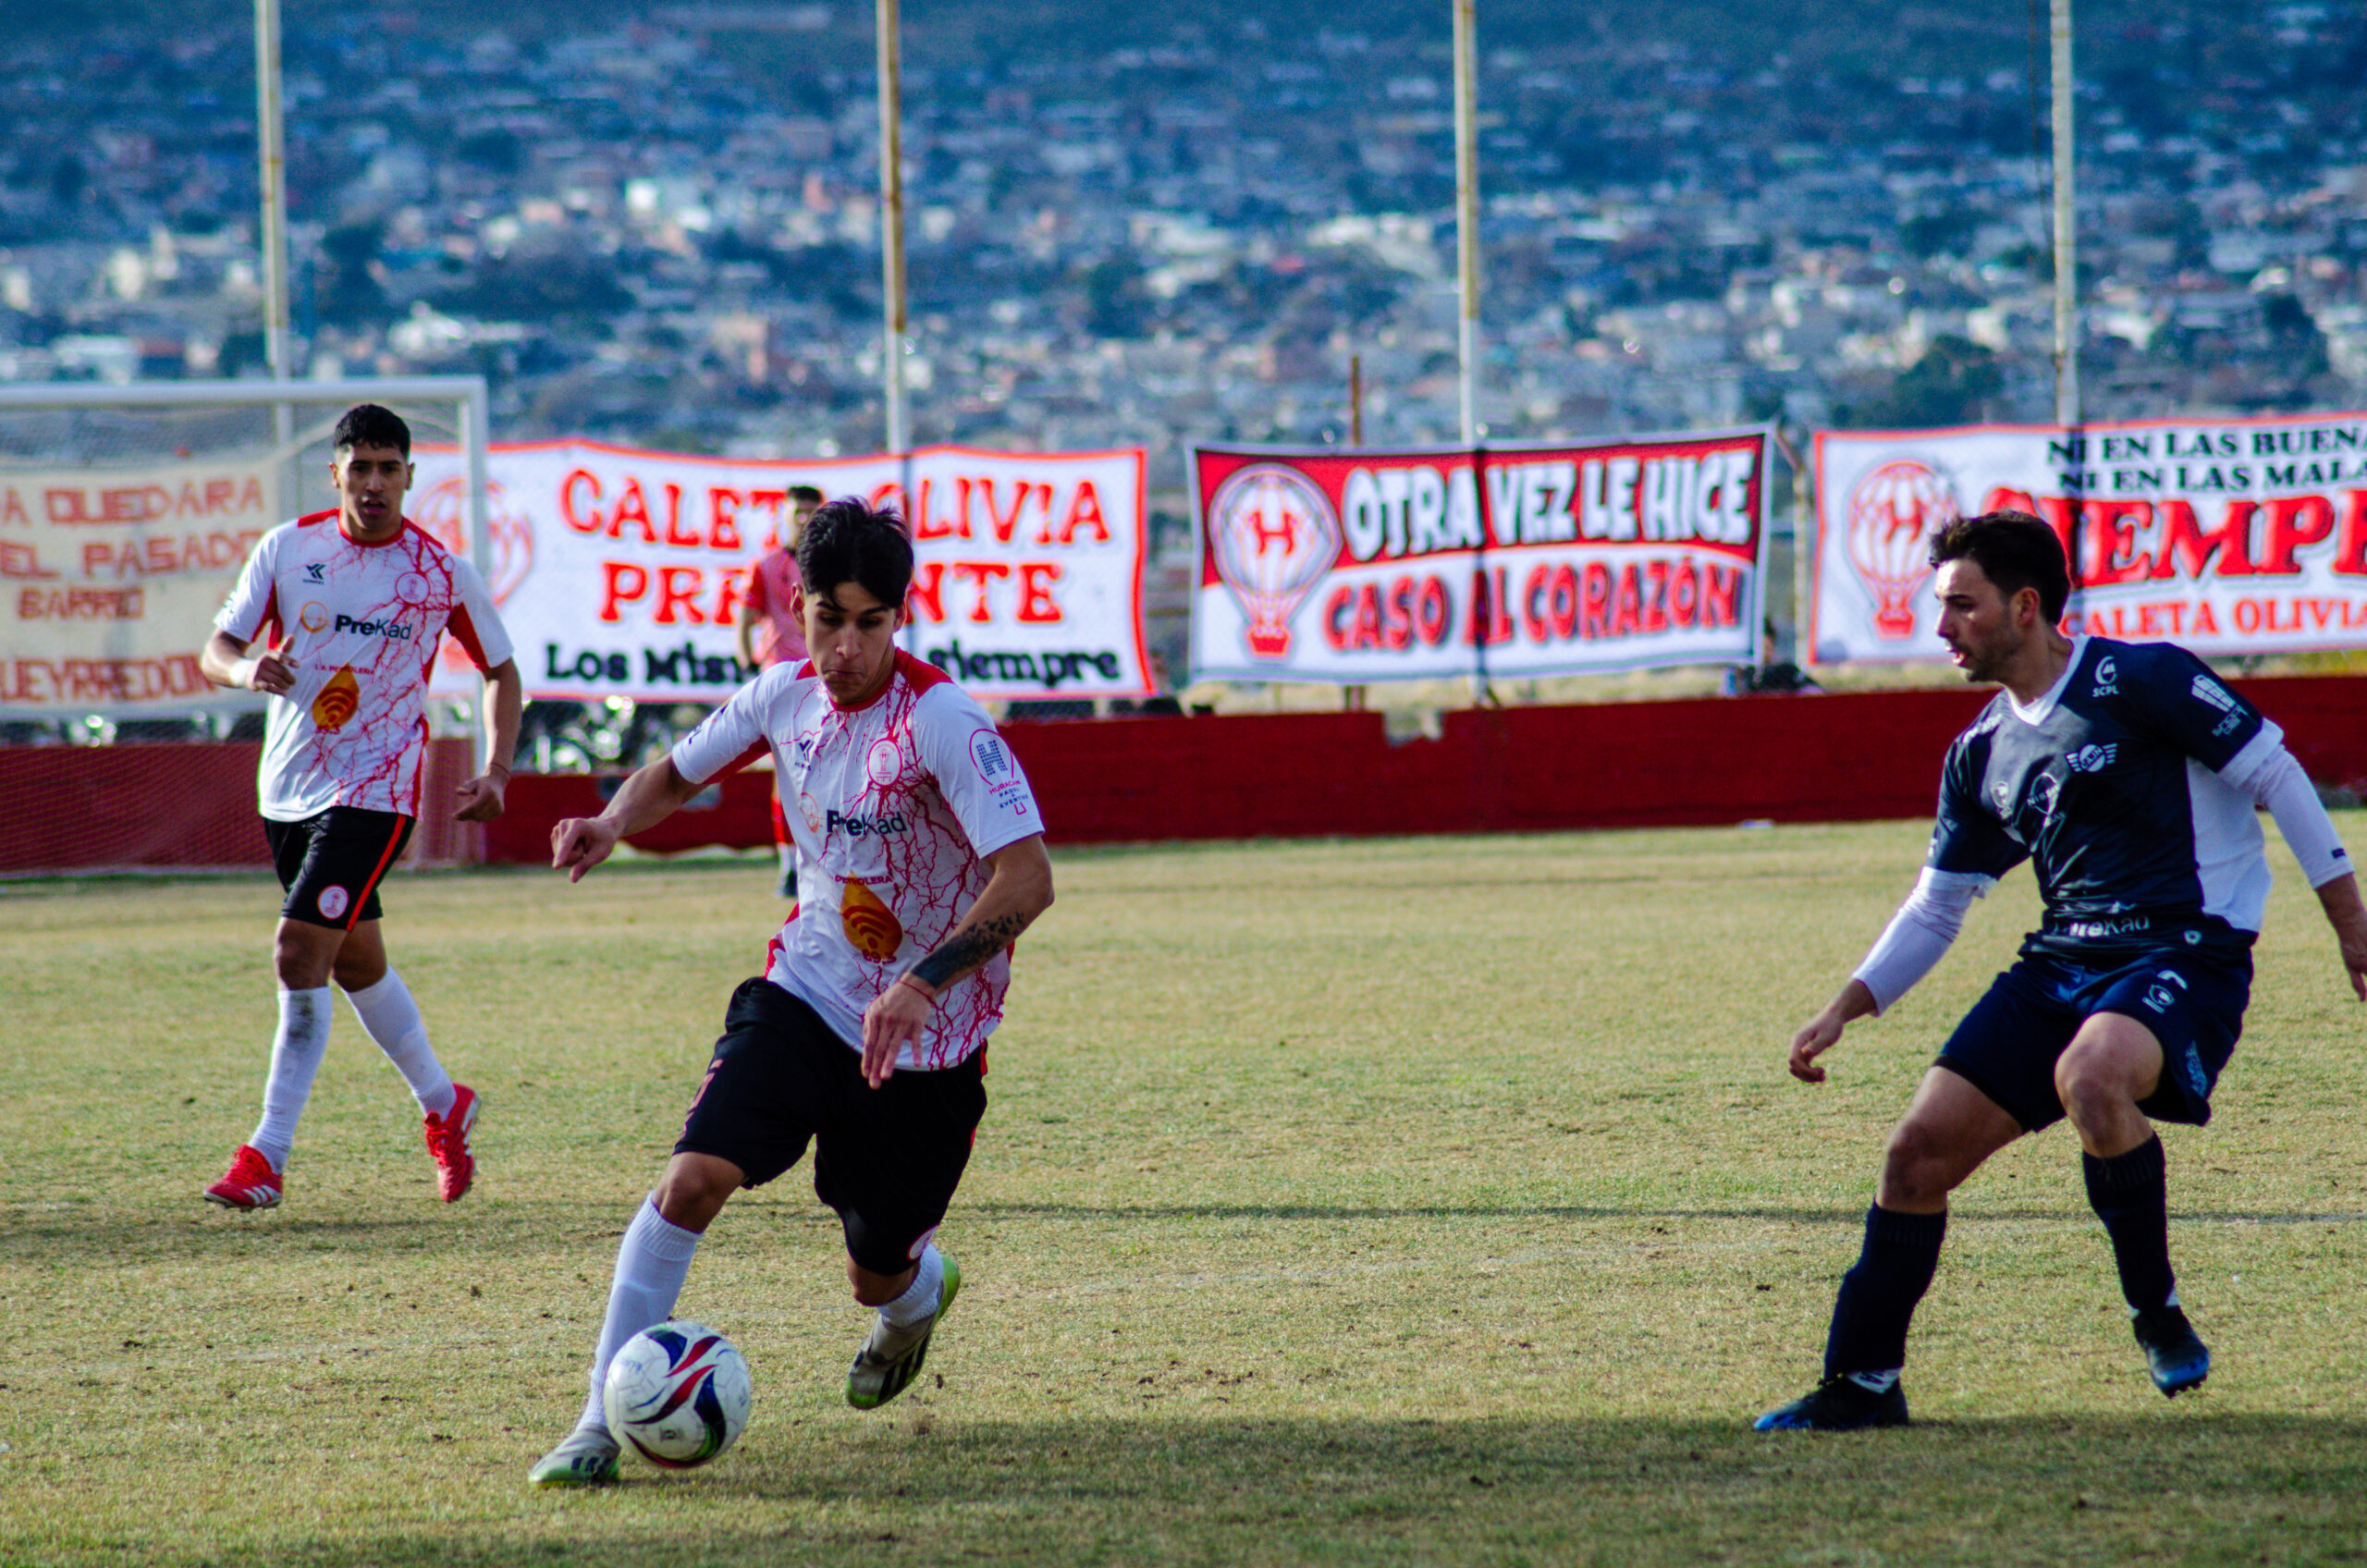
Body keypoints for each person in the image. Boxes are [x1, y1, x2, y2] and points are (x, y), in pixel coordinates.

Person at [1756, 510, 2367, 1432]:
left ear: (2025, 605)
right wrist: (1847, 1004)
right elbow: (1938, 904)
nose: (1941, 626)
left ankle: (2154, 1311)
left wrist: (2351, 931)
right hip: (2060, 963)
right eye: (1940, 607)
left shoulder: (2146, 679)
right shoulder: (1980, 752)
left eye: (1961, 605)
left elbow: (2277, 776)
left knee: (2090, 1076)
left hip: (2181, 953)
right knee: (1912, 1157)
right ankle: (1863, 1382)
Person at [528, 497, 1054, 1487]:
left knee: (875, 1269)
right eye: (827, 617)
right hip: (804, 993)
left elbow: (1028, 879)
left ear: (900, 620)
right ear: (797, 605)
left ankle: (915, 1298)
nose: (845, 646)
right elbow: (676, 773)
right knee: (690, 1180)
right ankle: (597, 1422)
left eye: (869, 623)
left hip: (925, 1045)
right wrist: (608, 820)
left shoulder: (943, 720)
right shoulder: (781, 696)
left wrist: (924, 980)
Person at [197, 403, 521, 1211]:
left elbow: (501, 670)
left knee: (296, 952)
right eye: (360, 466)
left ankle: (265, 1154)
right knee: (353, 960)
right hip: (287, 787)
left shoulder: (439, 571)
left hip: (376, 789)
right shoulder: (287, 548)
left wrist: (499, 768)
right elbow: (218, 649)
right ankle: (446, 1104)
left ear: (410, 476)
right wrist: (247, 673)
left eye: (389, 467)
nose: (374, 483)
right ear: (335, 472)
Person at [739, 484, 826, 899]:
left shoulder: (833, 566)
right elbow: (746, 618)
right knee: (786, 774)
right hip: (781, 679)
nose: (805, 521)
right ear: (785, 518)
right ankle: (788, 867)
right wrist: (748, 663)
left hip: (826, 677)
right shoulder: (767, 565)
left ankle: (825, 862)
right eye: (798, 513)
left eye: (812, 512)